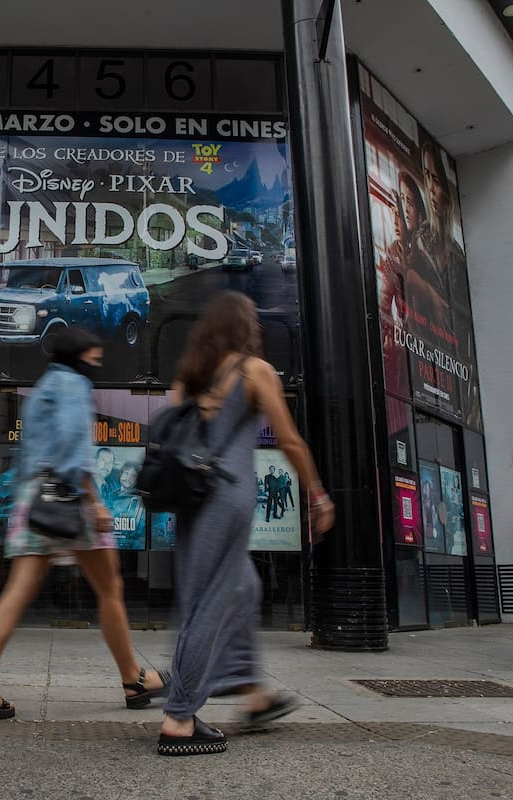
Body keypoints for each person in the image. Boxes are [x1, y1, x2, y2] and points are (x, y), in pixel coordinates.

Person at [0, 326, 168, 719]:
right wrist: (94, 501)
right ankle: (133, 679)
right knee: (109, 588)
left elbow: (31, 453)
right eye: (94, 353)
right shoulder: (73, 386)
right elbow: (74, 446)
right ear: (80, 353)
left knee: (17, 592)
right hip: (71, 498)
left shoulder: (43, 388)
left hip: (34, 501)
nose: (98, 359)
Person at [158, 291, 334, 757]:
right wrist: (316, 494)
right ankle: (179, 717)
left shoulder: (191, 373)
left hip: (191, 498)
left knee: (242, 589)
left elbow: (172, 428)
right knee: (211, 602)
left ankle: (251, 693)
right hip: (228, 495)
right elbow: (291, 442)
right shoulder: (255, 371)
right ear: (244, 325)